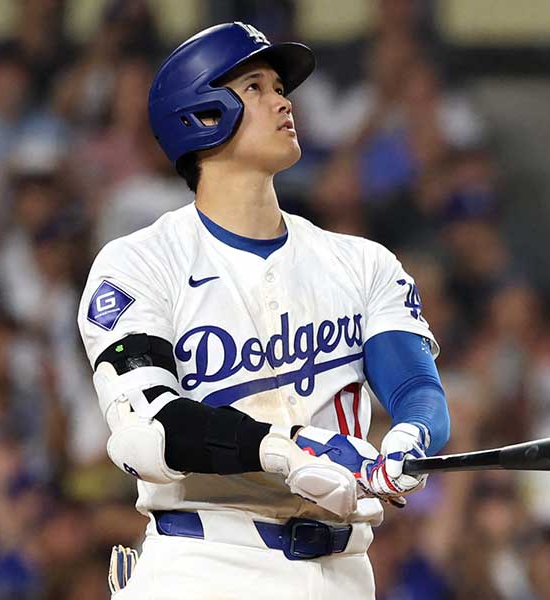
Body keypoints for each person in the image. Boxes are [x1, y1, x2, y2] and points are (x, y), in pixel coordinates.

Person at [77, 22, 450, 599]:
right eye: (255, 87)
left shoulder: (361, 261)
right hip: (205, 564)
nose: (283, 100)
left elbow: (417, 388)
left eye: (281, 87)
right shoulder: (138, 263)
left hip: (343, 572)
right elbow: (148, 430)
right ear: (201, 115)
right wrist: (287, 448)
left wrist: (410, 438)